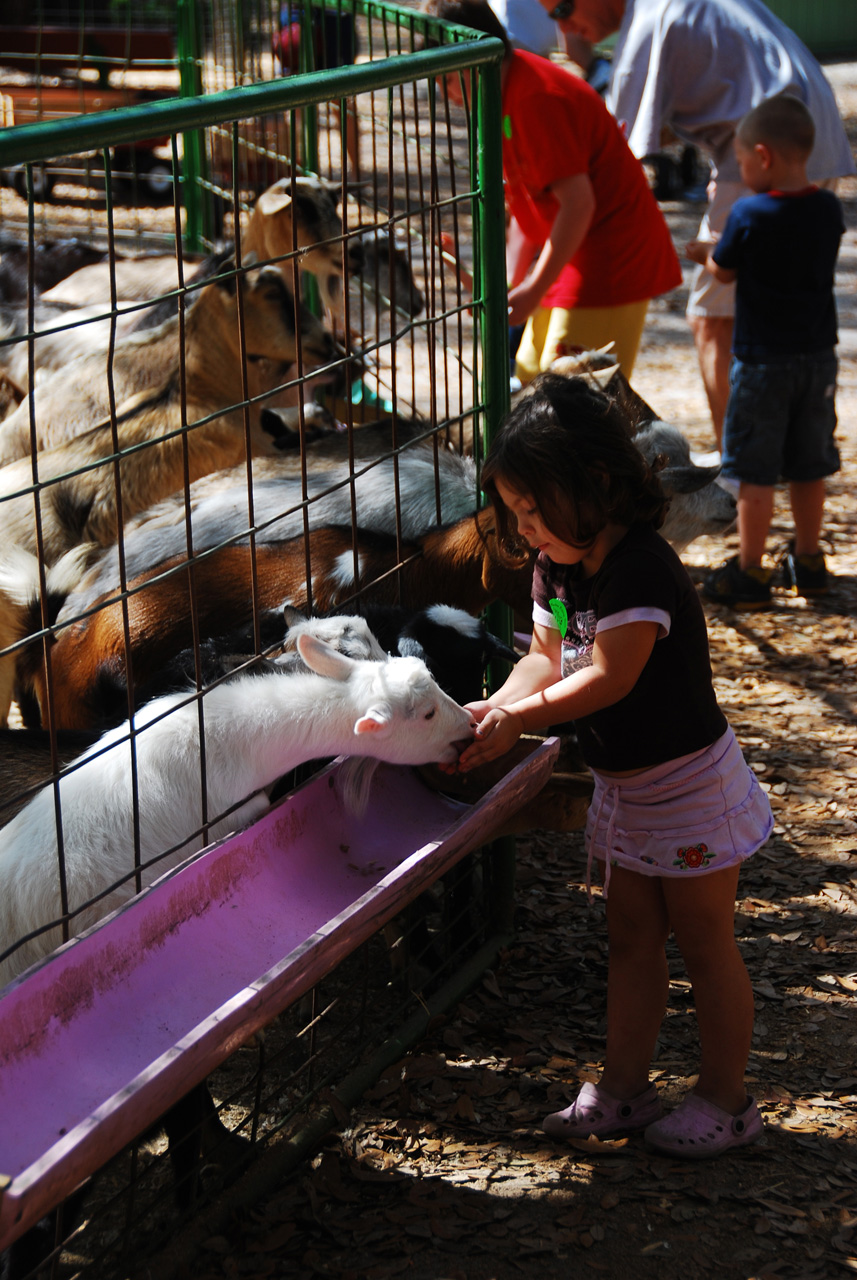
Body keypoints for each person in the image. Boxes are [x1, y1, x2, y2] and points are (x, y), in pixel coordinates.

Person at [452, 374, 773, 1158]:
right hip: (626, 793)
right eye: (515, 513)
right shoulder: (558, 570)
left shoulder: (639, 570)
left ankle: (727, 1101)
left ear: (593, 483)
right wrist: (497, 705)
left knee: (703, 940)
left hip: (688, 790)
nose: (525, 529)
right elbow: (548, 656)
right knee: (629, 935)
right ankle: (625, 1088)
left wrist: (522, 720)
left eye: (534, 509)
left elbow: (606, 675)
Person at [536, 0, 855, 447]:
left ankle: (740, 459)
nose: (564, 27)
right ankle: (789, 444)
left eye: (563, 9)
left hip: (769, 152)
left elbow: (616, 151)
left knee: (711, 317)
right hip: (809, 131)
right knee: (778, 304)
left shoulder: (644, 29)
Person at [428, 0, 681, 381]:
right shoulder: (501, 93)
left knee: (572, 402)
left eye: (445, 79)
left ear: (469, 56)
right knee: (532, 377)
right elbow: (526, 202)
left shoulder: (534, 98)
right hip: (570, 257)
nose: (444, 92)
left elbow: (578, 204)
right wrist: (512, 287)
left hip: (607, 263)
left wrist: (530, 292)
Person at [687, 95, 844, 610]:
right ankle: (809, 561)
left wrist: (707, 255)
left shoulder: (749, 212)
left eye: (744, 162)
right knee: (808, 465)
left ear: (764, 155)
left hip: (761, 363)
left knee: (754, 469)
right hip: (818, 358)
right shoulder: (827, 208)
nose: (744, 171)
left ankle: (750, 570)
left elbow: (726, 270)